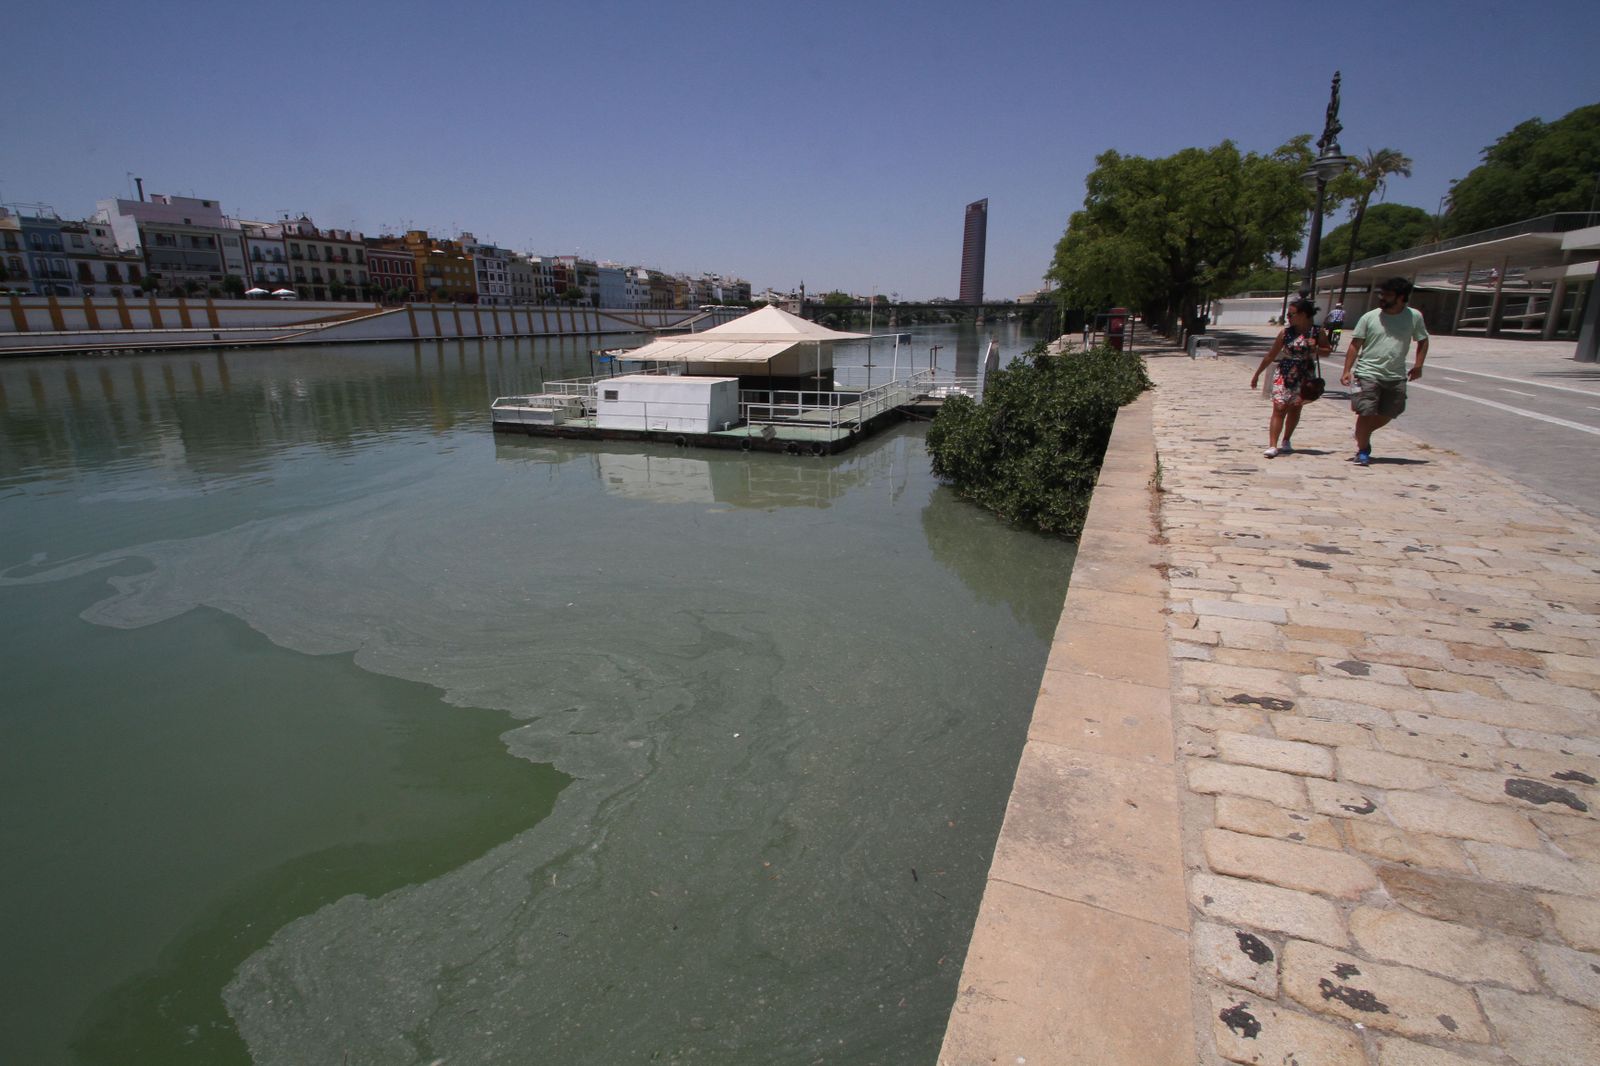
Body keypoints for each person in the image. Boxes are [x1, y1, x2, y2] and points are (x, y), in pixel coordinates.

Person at [1340, 277, 1429, 466]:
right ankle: (1363, 450)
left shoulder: (1414, 317)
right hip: (1367, 372)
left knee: (1392, 410)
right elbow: (1355, 344)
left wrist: (1419, 365)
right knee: (1365, 412)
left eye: (1388, 295)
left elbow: (1422, 340)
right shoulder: (1369, 317)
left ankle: (1361, 433)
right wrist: (1347, 369)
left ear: (1401, 297)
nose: (1383, 298)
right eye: (1382, 294)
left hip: (1396, 374)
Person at [1250, 298, 1330, 457]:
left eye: (1291, 314)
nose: (1288, 317)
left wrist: (1315, 347)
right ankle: (1272, 445)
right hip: (1285, 372)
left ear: (1303, 314)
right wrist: (1257, 374)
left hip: (1305, 374)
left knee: (1295, 408)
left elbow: (1327, 351)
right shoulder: (1285, 333)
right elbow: (1271, 355)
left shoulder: (1317, 332)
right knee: (1279, 407)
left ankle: (1286, 439)